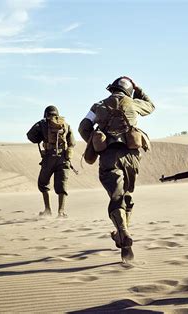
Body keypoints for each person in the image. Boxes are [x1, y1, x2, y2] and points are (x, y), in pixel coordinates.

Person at [78, 76, 155, 261]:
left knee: (116, 197)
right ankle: (124, 241)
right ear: (128, 90)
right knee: (126, 195)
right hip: (131, 157)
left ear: (112, 89)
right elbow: (151, 106)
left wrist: (95, 142)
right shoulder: (134, 103)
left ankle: (122, 232)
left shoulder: (98, 105)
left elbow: (83, 127)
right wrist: (139, 89)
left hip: (109, 156)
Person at [27, 105, 76, 218]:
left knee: (43, 183)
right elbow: (72, 142)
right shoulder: (65, 124)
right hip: (63, 158)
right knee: (62, 185)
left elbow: (30, 136)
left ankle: (47, 209)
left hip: (49, 157)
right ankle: (61, 212)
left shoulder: (43, 123)